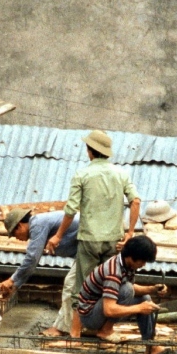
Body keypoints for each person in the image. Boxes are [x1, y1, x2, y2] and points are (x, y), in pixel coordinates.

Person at [44, 130, 141, 316]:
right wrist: (129, 233)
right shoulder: (121, 174)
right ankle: (102, 328)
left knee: (81, 287)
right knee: (111, 285)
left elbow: (71, 210)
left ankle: (76, 331)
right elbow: (135, 201)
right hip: (114, 239)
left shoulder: (82, 175)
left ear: (90, 150)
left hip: (89, 240)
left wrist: (58, 235)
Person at [74, 235, 168, 354]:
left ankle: (151, 346)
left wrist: (152, 289)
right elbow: (109, 309)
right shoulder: (113, 271)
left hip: (100, 309)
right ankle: (105, 330)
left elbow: (128, 288)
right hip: (89, 316)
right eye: (143, 261)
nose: (143, 265)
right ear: (133, 257)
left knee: (145, 298)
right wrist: (139, 308)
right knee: (128, 291)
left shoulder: (126, 265)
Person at [0, 208, 80, 336]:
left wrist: (12, 280)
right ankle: (84, 325)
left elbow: (32, 259)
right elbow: (33, 261)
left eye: (14, 234)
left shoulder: (37, 224)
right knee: (80, 287)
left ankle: (62, 328)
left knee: (71, 285)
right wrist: (15, 285)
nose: (17, 238)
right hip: (85, 249)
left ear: (19, 226)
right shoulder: (40, 223)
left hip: (90, 246)